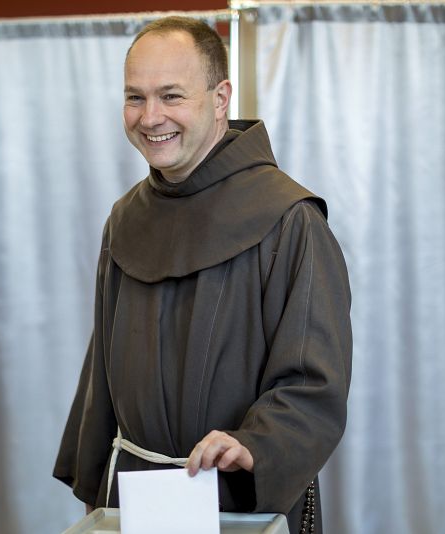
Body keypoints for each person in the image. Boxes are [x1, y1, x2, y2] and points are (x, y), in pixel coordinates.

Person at [53, 16, 352, 534]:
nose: (150, 117)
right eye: (135, 97)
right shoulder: (124, 220)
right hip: (138, 499)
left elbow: (313, 379)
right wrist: (96, 478)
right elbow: (102, 372)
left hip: (243, 499)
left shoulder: (290, 220)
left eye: (171, 96)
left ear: (220, 98)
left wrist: (255, 445)